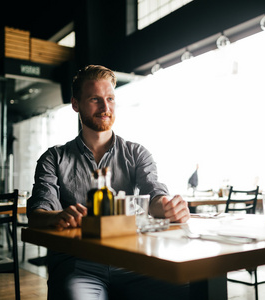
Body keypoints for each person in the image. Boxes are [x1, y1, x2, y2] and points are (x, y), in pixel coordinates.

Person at [27, 65, 191, 300]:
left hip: (131, 260)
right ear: (76, 104)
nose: (106, 108)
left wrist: (165, 206)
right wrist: (57, 216)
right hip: (78, 265)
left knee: (192, 291)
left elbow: (153, 192)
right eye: (95, 99)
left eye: (110, 99)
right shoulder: (53, 158)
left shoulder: (136, 153)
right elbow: (37, 213)